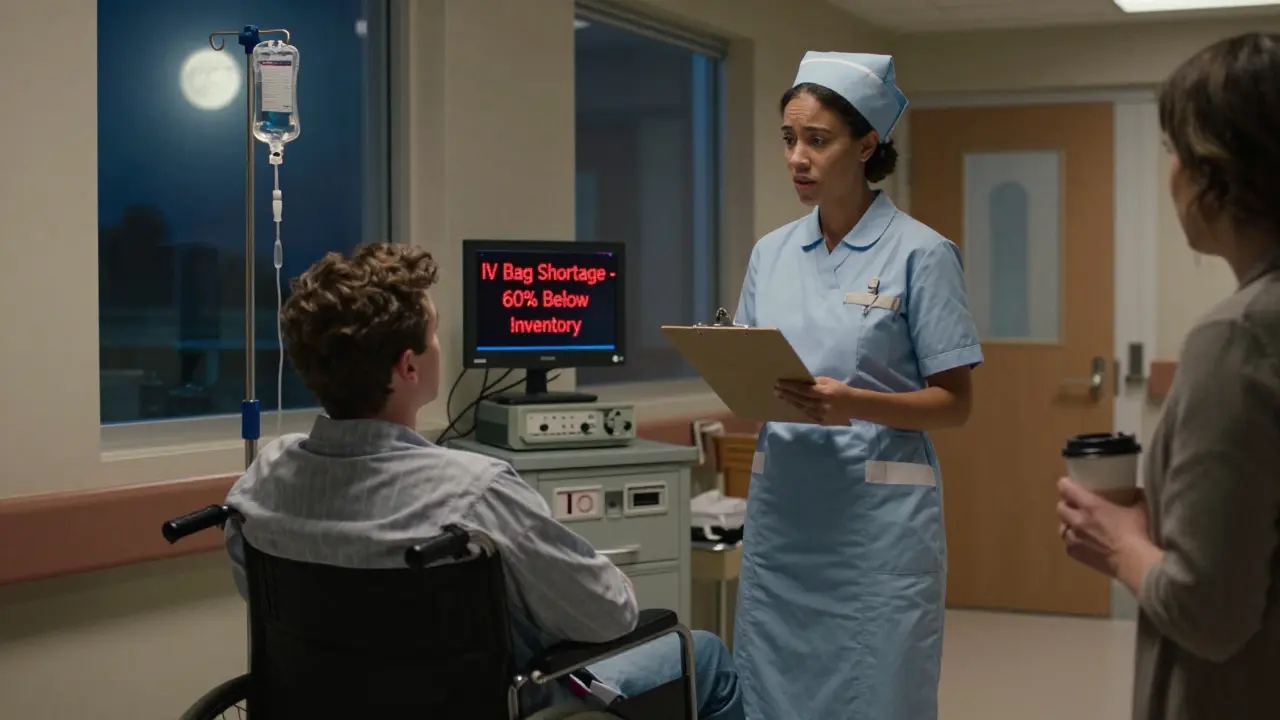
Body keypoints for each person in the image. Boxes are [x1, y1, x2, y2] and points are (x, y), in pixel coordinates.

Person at [222, 243, 743, 719]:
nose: (437, 345)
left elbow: (267, 602)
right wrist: (617, 587)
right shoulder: (473, 492)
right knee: (706, 655)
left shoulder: (264, 479)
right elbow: (607, 619)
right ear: (408, 367)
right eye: (432, 334)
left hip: (331, 704)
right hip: (502, 703)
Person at [731, 52, 983, 720]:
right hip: (786, 520)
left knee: (877, 694)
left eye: (818, 139)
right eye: (789, 139)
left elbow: (955, 404)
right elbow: (757, 368)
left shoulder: (921, 254)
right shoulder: (771, 254)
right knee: (773, 693)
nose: (797, 158)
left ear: (867, 143)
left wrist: (852, 402)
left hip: (874, 533)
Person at [1054, 32, 1280, 720]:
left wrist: (1120, 545)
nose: (1171, 172)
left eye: (1173, 150)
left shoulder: (1237, 338)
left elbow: (1208, 613)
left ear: (1217, 168)